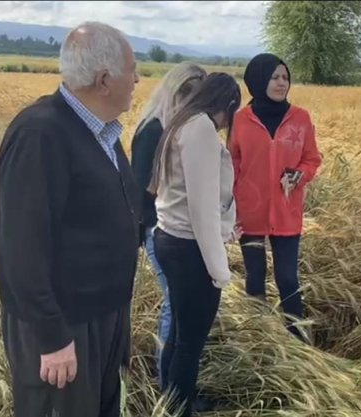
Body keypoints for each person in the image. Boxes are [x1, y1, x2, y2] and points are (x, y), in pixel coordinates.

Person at [0, 21, 141, 417]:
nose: (139, 78)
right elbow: (21, 248)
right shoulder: (41, 134)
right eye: (133, 68)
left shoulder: (101, 132)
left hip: (102, 318)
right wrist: (52, 337)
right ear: (105, 79)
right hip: (66, 327)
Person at [148, 72, 242, 417]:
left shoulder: (181, 121)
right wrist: (220, 270)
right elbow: (201, 207)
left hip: (171, 239)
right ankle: (181, 409)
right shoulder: (201, 128)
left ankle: (175, 401)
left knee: (181, 333)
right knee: (190, 341)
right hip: (190, 247)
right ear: (229, 104)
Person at [229, 53, 322, 341]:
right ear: (258, 80)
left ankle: (297, 342)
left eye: (285, 77)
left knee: (287, 279)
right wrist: (229, 208)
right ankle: (258, 340)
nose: (282, 83)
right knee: (255, 279)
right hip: (250, 212)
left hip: (286, 211)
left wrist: (299, 175)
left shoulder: (301, 118)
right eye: (274, 77)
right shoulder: (240, 120)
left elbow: (312, 159)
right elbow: (231, 164)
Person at [130, 62, 206, 389]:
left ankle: (177, 385)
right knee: (175, 308)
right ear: (177, 95)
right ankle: (169, 390)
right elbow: (141, 189)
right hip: (157, 231)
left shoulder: (175, 128)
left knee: (181, 308)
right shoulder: (154, 130)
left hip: (175, 231)